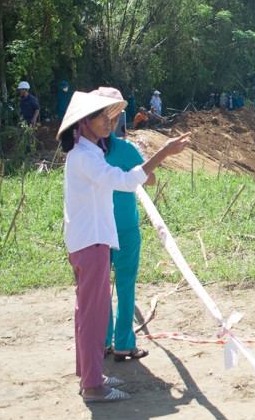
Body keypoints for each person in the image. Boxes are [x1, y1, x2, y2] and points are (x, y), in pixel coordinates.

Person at [58, 89, 190, 403]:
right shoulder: (86, 156)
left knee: (88, 312)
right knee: (93, 315)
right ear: (84, 122)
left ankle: (90, 375)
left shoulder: (86, 153)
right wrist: (165, 152)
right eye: (102, 117)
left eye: (111, 117)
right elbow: (127, 182)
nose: (109, 123)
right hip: (91, 242)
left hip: (89, 240)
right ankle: (93, 386)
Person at [94, 87, 151, 363]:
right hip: (125, 228)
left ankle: (103, 342)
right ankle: (124, 344)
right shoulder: (126, 149)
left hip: (97, 230)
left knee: (101, 286)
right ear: (116, 120)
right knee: (125, 285)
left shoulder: (86, 153)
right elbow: (148, 179)